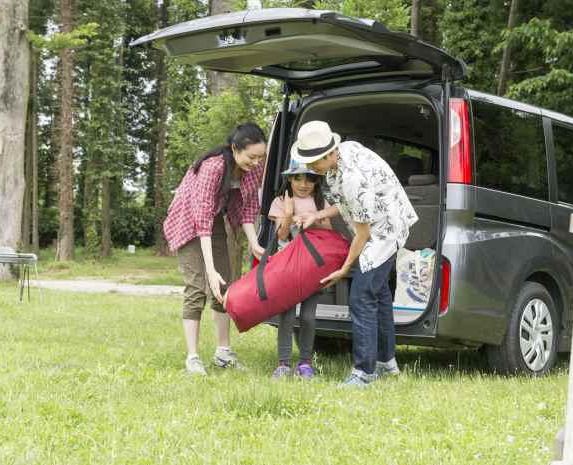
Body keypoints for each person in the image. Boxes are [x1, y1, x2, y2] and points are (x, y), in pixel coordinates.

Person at [291, 120, 418, 388]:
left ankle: (364, 372)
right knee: (380, 293)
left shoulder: (352, 178)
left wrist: (345, 268)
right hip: (379, 222)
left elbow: (363, 232)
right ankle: (386, 362)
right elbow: (345, 204)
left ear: (329, 153)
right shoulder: (345, 151)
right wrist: (317, 215)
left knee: (361, 297)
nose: (310, 168)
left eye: (314, 162)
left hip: (385, 230)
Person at [164, 123, 267, 376]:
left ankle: (223, 353)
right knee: (198, 286)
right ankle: (193, 357)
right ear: (235, 149)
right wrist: (209, 269)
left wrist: (254, 243)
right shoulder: (213, 167)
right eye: (251, 157)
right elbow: (201, 219)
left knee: (223, 287)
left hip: (214, 220)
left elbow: (249, 208)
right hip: (188, 221)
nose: (256, 162)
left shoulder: (253, 168)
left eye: (260, 157)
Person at [267, 160, 332, 380]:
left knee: (308, 317)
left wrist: (311, 219)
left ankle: (305, 363)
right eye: (298, 178)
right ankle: (283, 363)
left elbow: (328, 232)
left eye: (310, 178)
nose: (304, 184)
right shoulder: (280, 201)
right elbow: (282, 236)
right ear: (289, 179)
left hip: (313, 268)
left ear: (316, 181)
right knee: (286, 316)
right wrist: (288, 215)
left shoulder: (320, 201)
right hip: (288, 268)